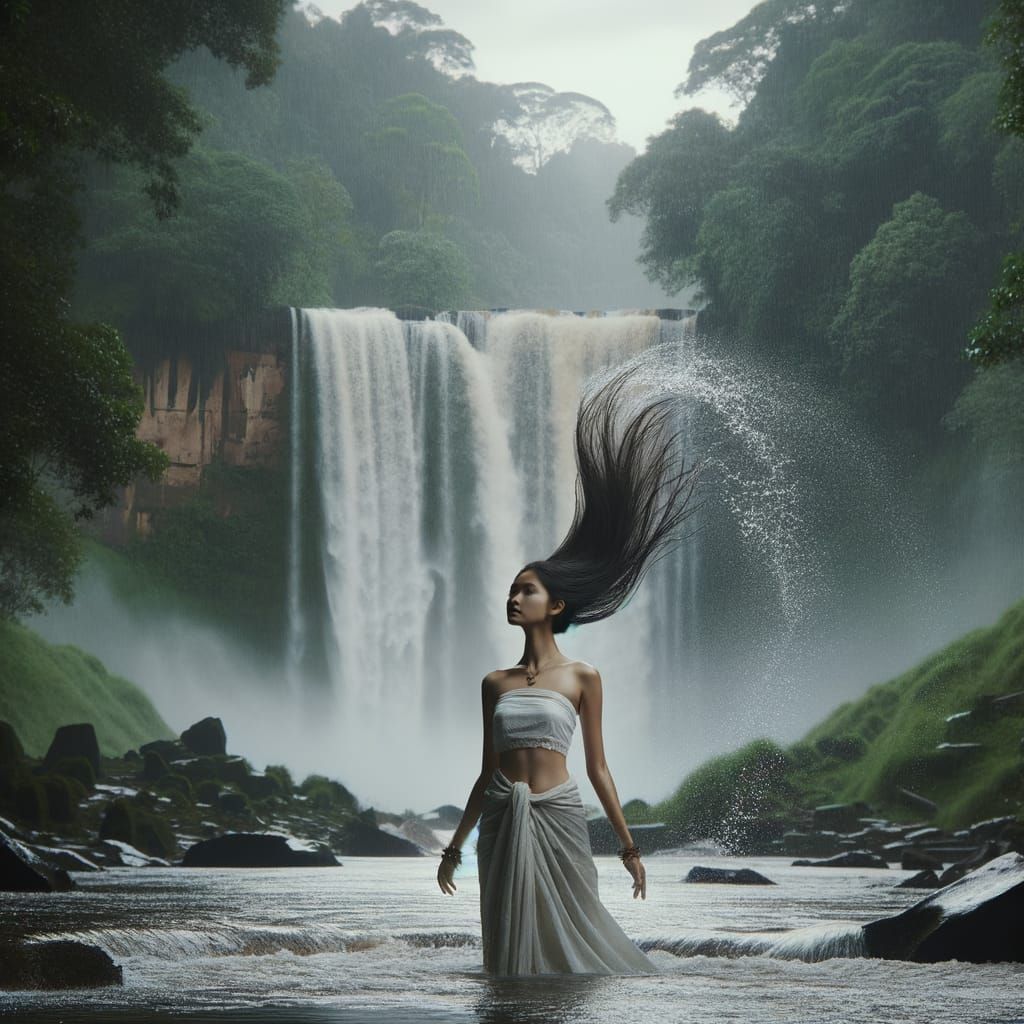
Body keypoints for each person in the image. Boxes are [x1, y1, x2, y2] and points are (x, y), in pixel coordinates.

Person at [436, 360, 704, 976]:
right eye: (510, 590)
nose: (513, 597)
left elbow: (599, 766)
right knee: (506, 946)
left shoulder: (583, 677)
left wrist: (630, 848)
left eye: (525, 590)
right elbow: (485, 774)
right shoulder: (495, 683)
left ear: (555, 606)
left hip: (558, 814)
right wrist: (453, 848)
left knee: (575, 937)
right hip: (504, 817)